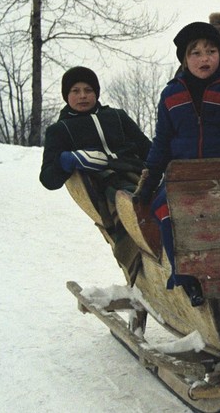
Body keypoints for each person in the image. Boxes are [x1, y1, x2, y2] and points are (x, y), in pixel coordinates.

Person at [134, 22, 220, 306]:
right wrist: (148, 182)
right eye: (195, 53)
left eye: (211, 51)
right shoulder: (171, 94)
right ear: (185, 59)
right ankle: (187, 279)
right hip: (183, 178)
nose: (204, 58)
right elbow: (162, 143)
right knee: (167, 214)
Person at [39, 66, 152, 281]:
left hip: (138, 172)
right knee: (130, 204)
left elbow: (147, 149)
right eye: (75, 90)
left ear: (96, 93)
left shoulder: (116, 117)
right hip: (106, 186)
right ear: (66, 95)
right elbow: (48, 179)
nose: (82, 96)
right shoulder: (60, 130)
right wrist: (65, 161)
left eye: (88, 90)